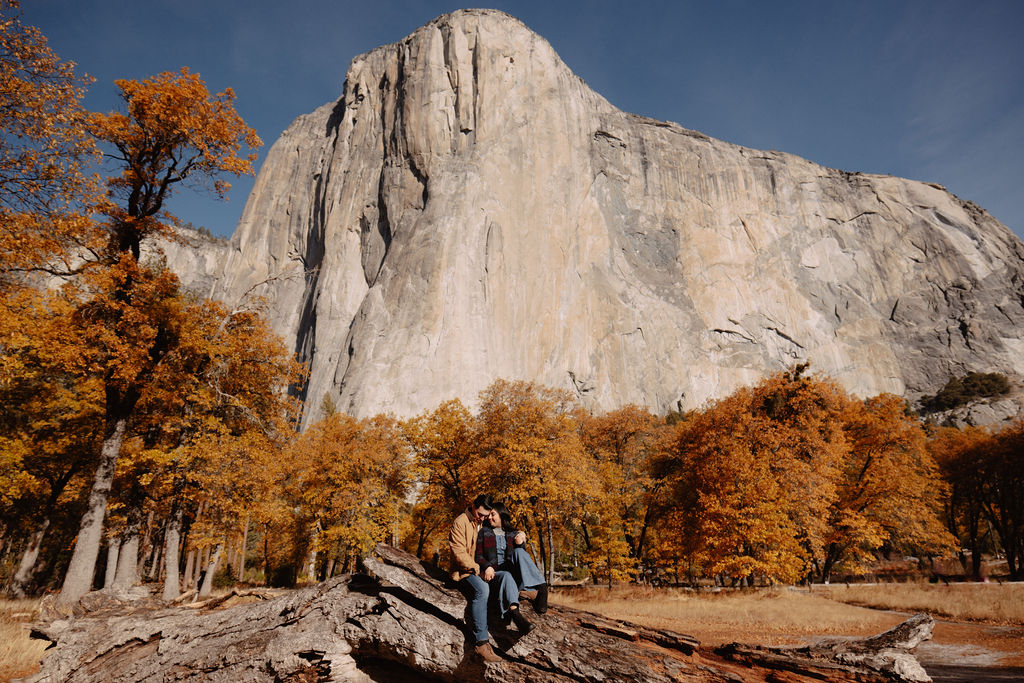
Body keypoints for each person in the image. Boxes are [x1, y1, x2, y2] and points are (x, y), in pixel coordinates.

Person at [475, 502, 549, 635]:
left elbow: (522, 561)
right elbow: (478, 556)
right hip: (496, 576)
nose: (489, 518)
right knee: (506, 575)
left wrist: (521, 543)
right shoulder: (484, 532)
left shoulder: (514, 533)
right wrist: (486, 566)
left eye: (493, 514)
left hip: (514, 577)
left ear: (502, 514)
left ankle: (543, 587)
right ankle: (516, 615)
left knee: (519, 552)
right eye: (489, 515)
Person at [448, 493, 502, 663]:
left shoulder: (483, 521)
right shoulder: (460, 522)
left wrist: (519, 535)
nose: (482, 519)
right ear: (473, 506)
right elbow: (459, 553)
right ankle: (481, 643)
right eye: (480, 514)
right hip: (464, 572)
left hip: (481, 568)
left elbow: (503, 529)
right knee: (483, 589)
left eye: (486, 516)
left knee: (504, 579)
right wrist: (479, 568)